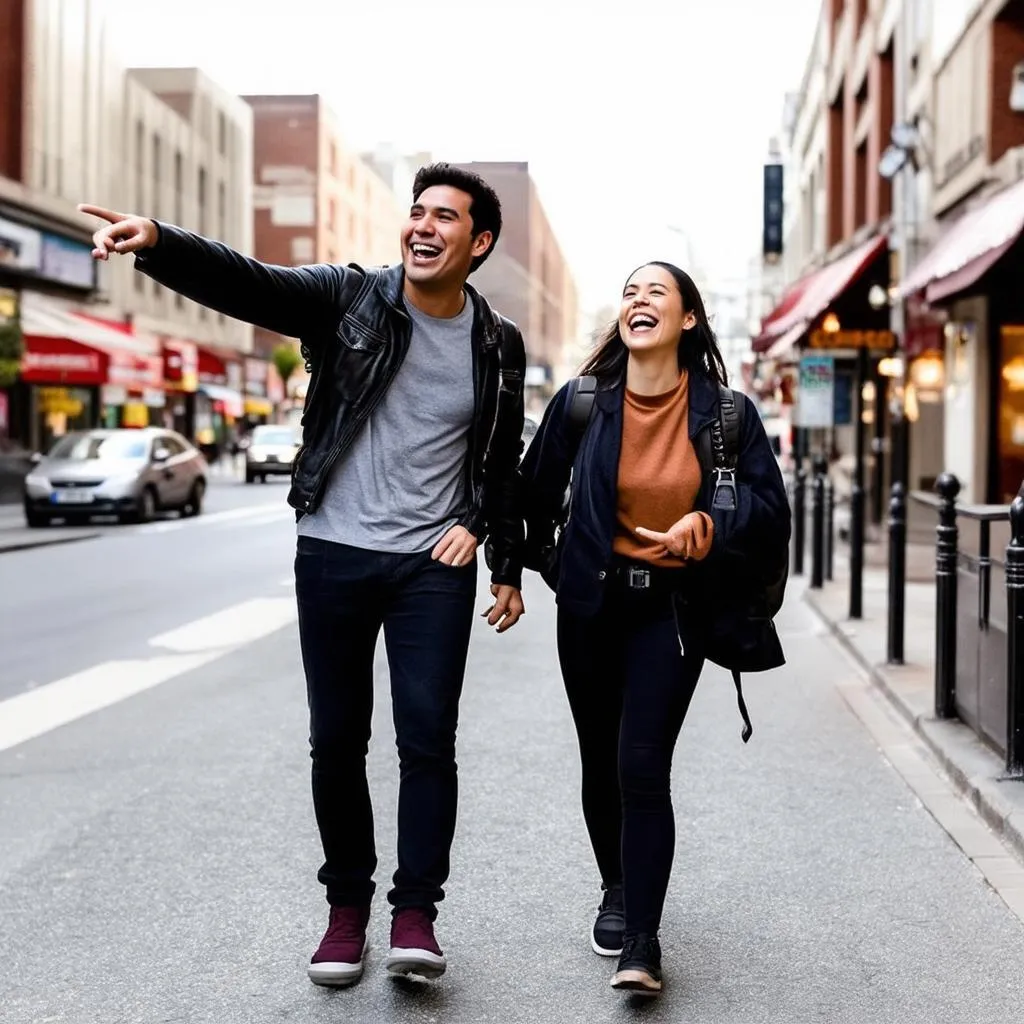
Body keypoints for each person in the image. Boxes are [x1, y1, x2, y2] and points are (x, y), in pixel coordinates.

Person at [79, 162, 527, 988]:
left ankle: (415, 912)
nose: (422, 228)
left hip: (433, 564)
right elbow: (255, 284)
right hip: (334, 552)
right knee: (337, 740)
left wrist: (494, 547)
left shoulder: (495, 341)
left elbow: (503, 460)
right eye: (416, 213)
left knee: (428, 738)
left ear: (480, 241)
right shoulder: (350, 298)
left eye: (445, 218)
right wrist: (159, 244)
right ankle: (346, 911)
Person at [519, 262, 790, 998]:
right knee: (599, 762)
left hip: (672, 611)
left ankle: (642, 939)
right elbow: (531, 496)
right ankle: (616, 885)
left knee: (642, 765)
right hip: (590, 611)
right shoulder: (580, 404)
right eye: (631, 292)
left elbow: (770, 513)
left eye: (657, 293)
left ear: (688, 319)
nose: (639, 301)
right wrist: (545, 567)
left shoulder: (725, 414)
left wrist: (710, 522)